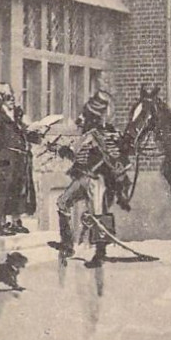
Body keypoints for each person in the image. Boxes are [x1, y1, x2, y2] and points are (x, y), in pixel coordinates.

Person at [55, 90, 131, 268]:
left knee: (98, 215)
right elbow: (76, 153)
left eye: (91, 115)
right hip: (82, 177)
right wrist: (64, 151)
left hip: (97, 179)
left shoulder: (109, 134)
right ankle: (67, 244)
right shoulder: (87, 134)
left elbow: (118, 160)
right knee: (62, 203)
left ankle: (100, 254)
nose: (85, 118)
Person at [0, 82, 40, 236]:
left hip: (19, 157)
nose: (11, 99)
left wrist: (36, 130)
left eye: (11, 95)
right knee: (1, 189)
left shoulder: (17, 113)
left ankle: (16, 221)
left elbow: (27, 132)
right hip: (1, 158)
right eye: (6, 96)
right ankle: (2, 224)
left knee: (19, 188)